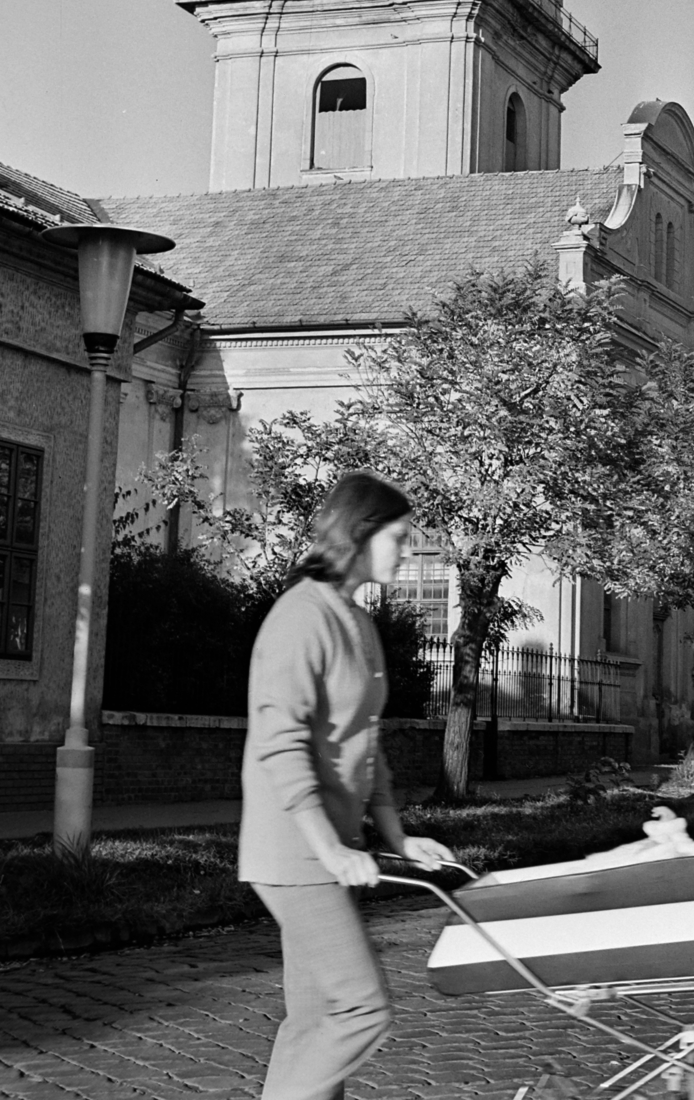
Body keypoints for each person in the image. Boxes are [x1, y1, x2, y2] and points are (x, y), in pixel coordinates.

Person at [239, 470, 457, 1100]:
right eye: (399, 537)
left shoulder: (357, 623)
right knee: (363, 1009)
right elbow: (280, 745)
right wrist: (329, 849)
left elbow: (366, 740)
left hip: (332, 846)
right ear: (360, 535)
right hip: (295, 850)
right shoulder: (300, 616)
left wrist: (397, 836)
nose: (409, 550)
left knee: (315, 1022)